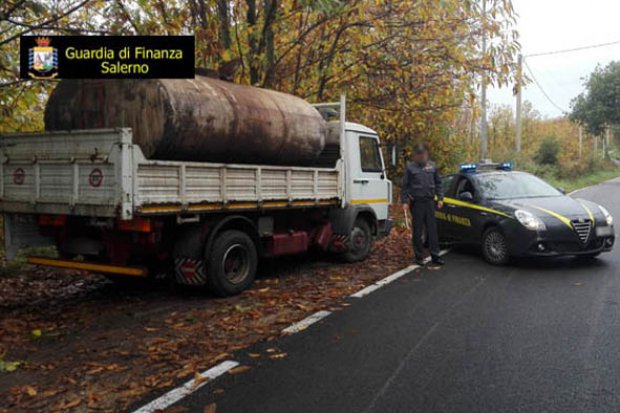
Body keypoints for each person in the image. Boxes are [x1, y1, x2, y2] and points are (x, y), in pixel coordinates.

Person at [401, 144, 445, 266]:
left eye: (424, 154)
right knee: (418, 230)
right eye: (420, 154)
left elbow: (438, 183)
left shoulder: (432, 166)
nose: (422, 156)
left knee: (432, 230)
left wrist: (440, 198)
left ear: (426, 154)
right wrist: (404, 201)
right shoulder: (410, 168)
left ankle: (435, 255)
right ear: (416, 155)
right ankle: (419, 256)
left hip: (430, 202)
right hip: (417, 203)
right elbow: (405, 186)